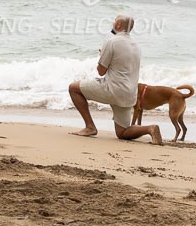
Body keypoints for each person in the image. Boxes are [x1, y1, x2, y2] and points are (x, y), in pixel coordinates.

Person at [68, 15, 162, 144]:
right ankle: (150, 129)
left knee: (73, 88)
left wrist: (102, 56)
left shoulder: (111, 42)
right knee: (122, 133)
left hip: (112, 89)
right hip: (129, 94)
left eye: (114, 21)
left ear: (118, 25)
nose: (113, 23)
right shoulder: (136, 46)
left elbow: (101, 71)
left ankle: (90, 127)